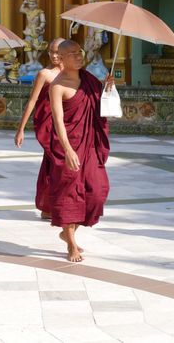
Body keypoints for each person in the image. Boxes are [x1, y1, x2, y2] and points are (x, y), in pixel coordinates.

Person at [49, 40, 113, 263]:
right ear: (62, 58)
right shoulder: (57, 86)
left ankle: (68, 232)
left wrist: (108, 89)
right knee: (69, 193)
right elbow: (57, 121)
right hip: (70, 146)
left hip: (90, 146)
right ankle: (71, 244)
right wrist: (67, 149)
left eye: (80, 52)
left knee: (97, 192)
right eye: (73, 54)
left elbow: (101, 108)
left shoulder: (90, 80)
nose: (78, 56)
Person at [14, 38, 64, 219]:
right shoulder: (45, 74)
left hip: (68, 124)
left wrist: (108, 85)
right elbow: (33, 101)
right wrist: (21, 129)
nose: (54, 55)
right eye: (51, 51)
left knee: (64, 165)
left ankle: (59, 205)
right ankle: (49, 206)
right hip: (49, 125)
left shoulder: (73, 74)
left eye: (58, 51)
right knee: (54, 163)